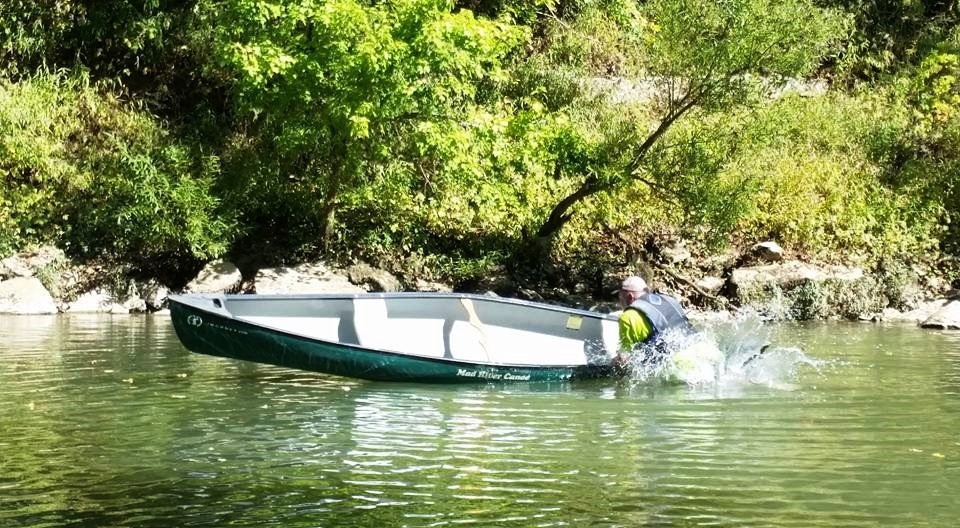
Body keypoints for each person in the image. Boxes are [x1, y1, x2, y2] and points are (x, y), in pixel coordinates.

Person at [615, 275, 694, 370]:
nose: (619, 302)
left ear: (630, 296)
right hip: (704, 353)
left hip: (679, 367)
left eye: (619, 297)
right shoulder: (670, 300)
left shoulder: (629, 317)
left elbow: (624, 360)